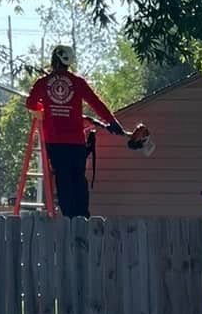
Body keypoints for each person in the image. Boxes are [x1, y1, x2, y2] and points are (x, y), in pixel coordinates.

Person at [25, 46, 130, 216]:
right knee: (78, 179)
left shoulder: (43, 83)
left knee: (63, 179)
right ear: (69, 62)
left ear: (54, 59)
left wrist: (45, 108)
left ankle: (69, 218)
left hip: (55, 141)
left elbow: (30, 103)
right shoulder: (78, 82)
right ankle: (83, 218)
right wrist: (112, 122)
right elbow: (96, 103)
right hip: (76, 141)